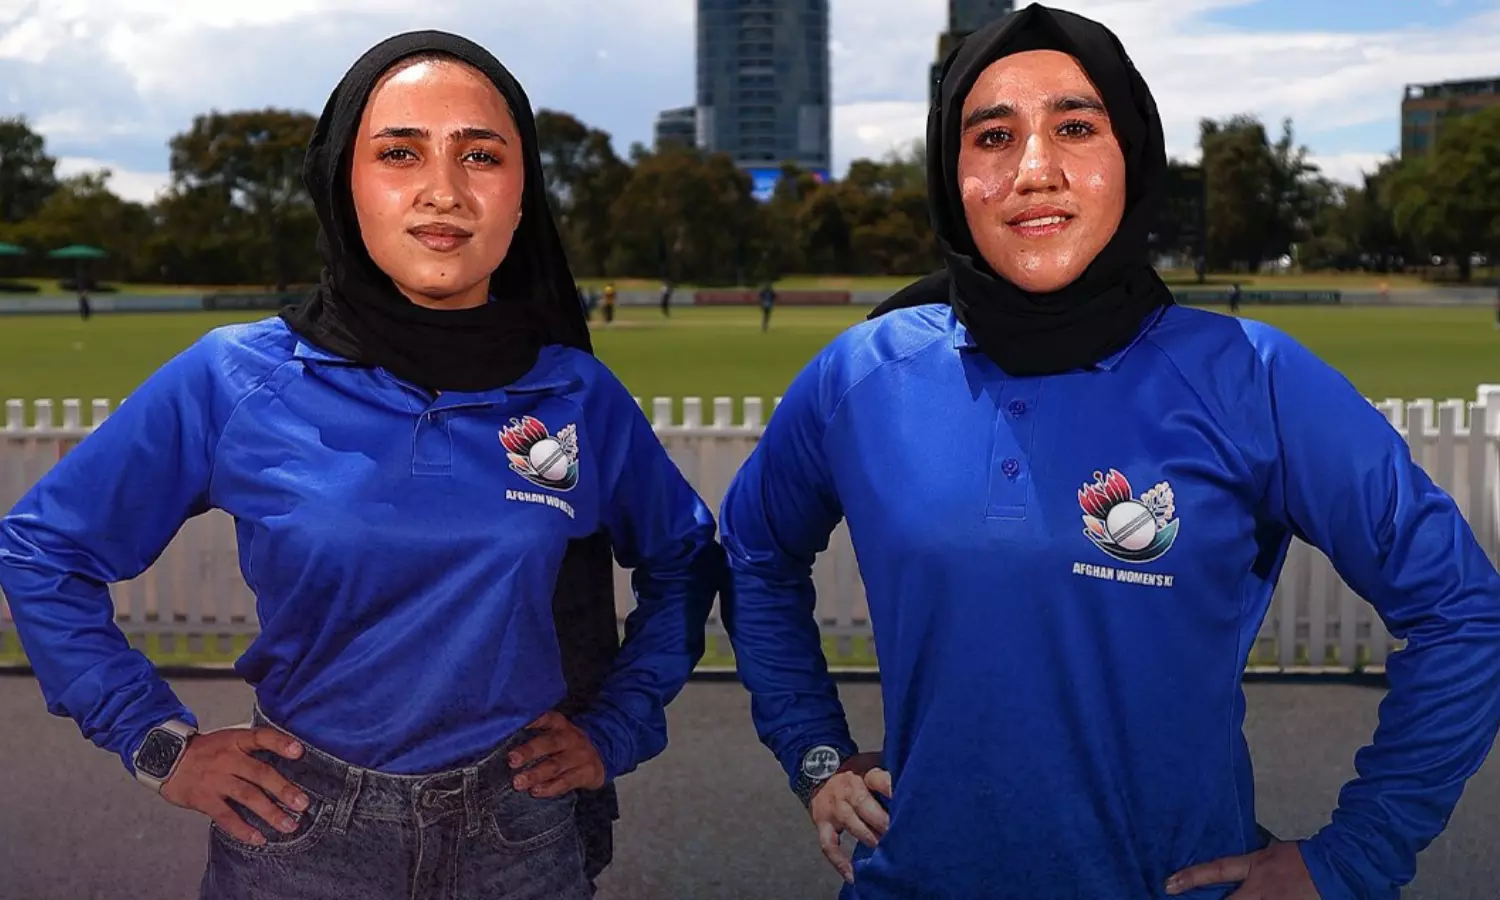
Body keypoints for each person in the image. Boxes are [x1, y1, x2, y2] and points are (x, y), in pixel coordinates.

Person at [716, 6, 1500, 900]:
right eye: (993, 136)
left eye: (1077, 127)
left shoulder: (1251, 376)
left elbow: (1463, 612)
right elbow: (752, 555)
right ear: (950, 173)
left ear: (1132, 157)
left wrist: (1354, 856)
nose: (1034, 171)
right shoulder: (860, 376)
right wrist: (817, 753)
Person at [0, 31, 722, 900]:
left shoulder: (573, 392)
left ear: (523, 194)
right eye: (399, 152)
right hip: (301, 835)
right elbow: (43, 551)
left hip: (520, 834)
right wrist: (158, 743)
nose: (444, 190)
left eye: (482, 155)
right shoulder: (235, 378)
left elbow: (685, 557)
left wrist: (617, 724)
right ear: (345, 181)